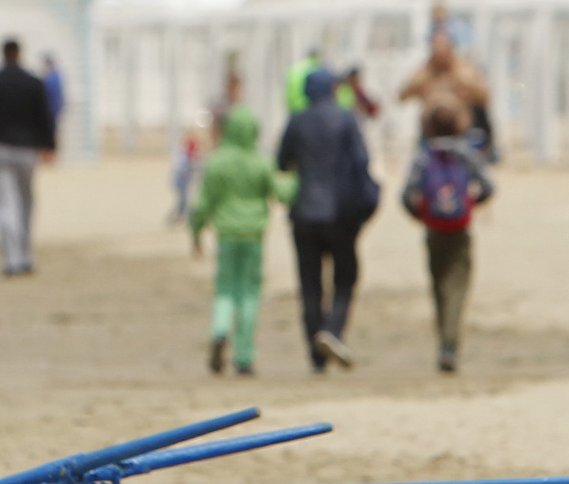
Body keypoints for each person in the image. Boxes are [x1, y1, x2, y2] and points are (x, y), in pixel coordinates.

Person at [276, 68, 375, 371]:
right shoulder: (346, 119)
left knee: (310, 284)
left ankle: (316, 357)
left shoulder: (297, 120)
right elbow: (362, 162)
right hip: (340, 212)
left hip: (304, 212)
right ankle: (332, 330)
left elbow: (281, 162)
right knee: (345, 277)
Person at [189, 104, 291, 376]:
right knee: (249, 294)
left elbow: (203, 203)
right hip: (253, 235)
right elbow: (282, 193)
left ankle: (220, 330)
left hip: (226, 234)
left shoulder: (218, 161)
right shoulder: (261, 161)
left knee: (225, 291)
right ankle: (244, 356)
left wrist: (196, 232)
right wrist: (299, 178)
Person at [400, 104, 495, 374]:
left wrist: (423, 215)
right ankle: (450, 345)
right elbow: (488, 187)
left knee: (439, 286)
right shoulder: (466, 153)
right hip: (460, 229)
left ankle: (443, 341)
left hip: (434, 230)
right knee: (458, 287)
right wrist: (469, 205)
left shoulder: (423, 155)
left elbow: (407, 195)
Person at [0, 39, 57, 277]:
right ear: (19, 53)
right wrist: (49, 145)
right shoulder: (33, 82)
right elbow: (45, 116)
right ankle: (25, 256)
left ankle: (11, 258)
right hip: (27, 150)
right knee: (26, 203)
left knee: (4, 204)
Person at [398, 26, 490, 147]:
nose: (440, 50)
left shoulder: (463, 70)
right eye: (436, 46)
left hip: (460, 134)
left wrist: (468, 85)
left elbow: (485, 98)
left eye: (443, 45)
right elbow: (401, 96)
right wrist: (417, 85)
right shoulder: (425, 71)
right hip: (430, 135)